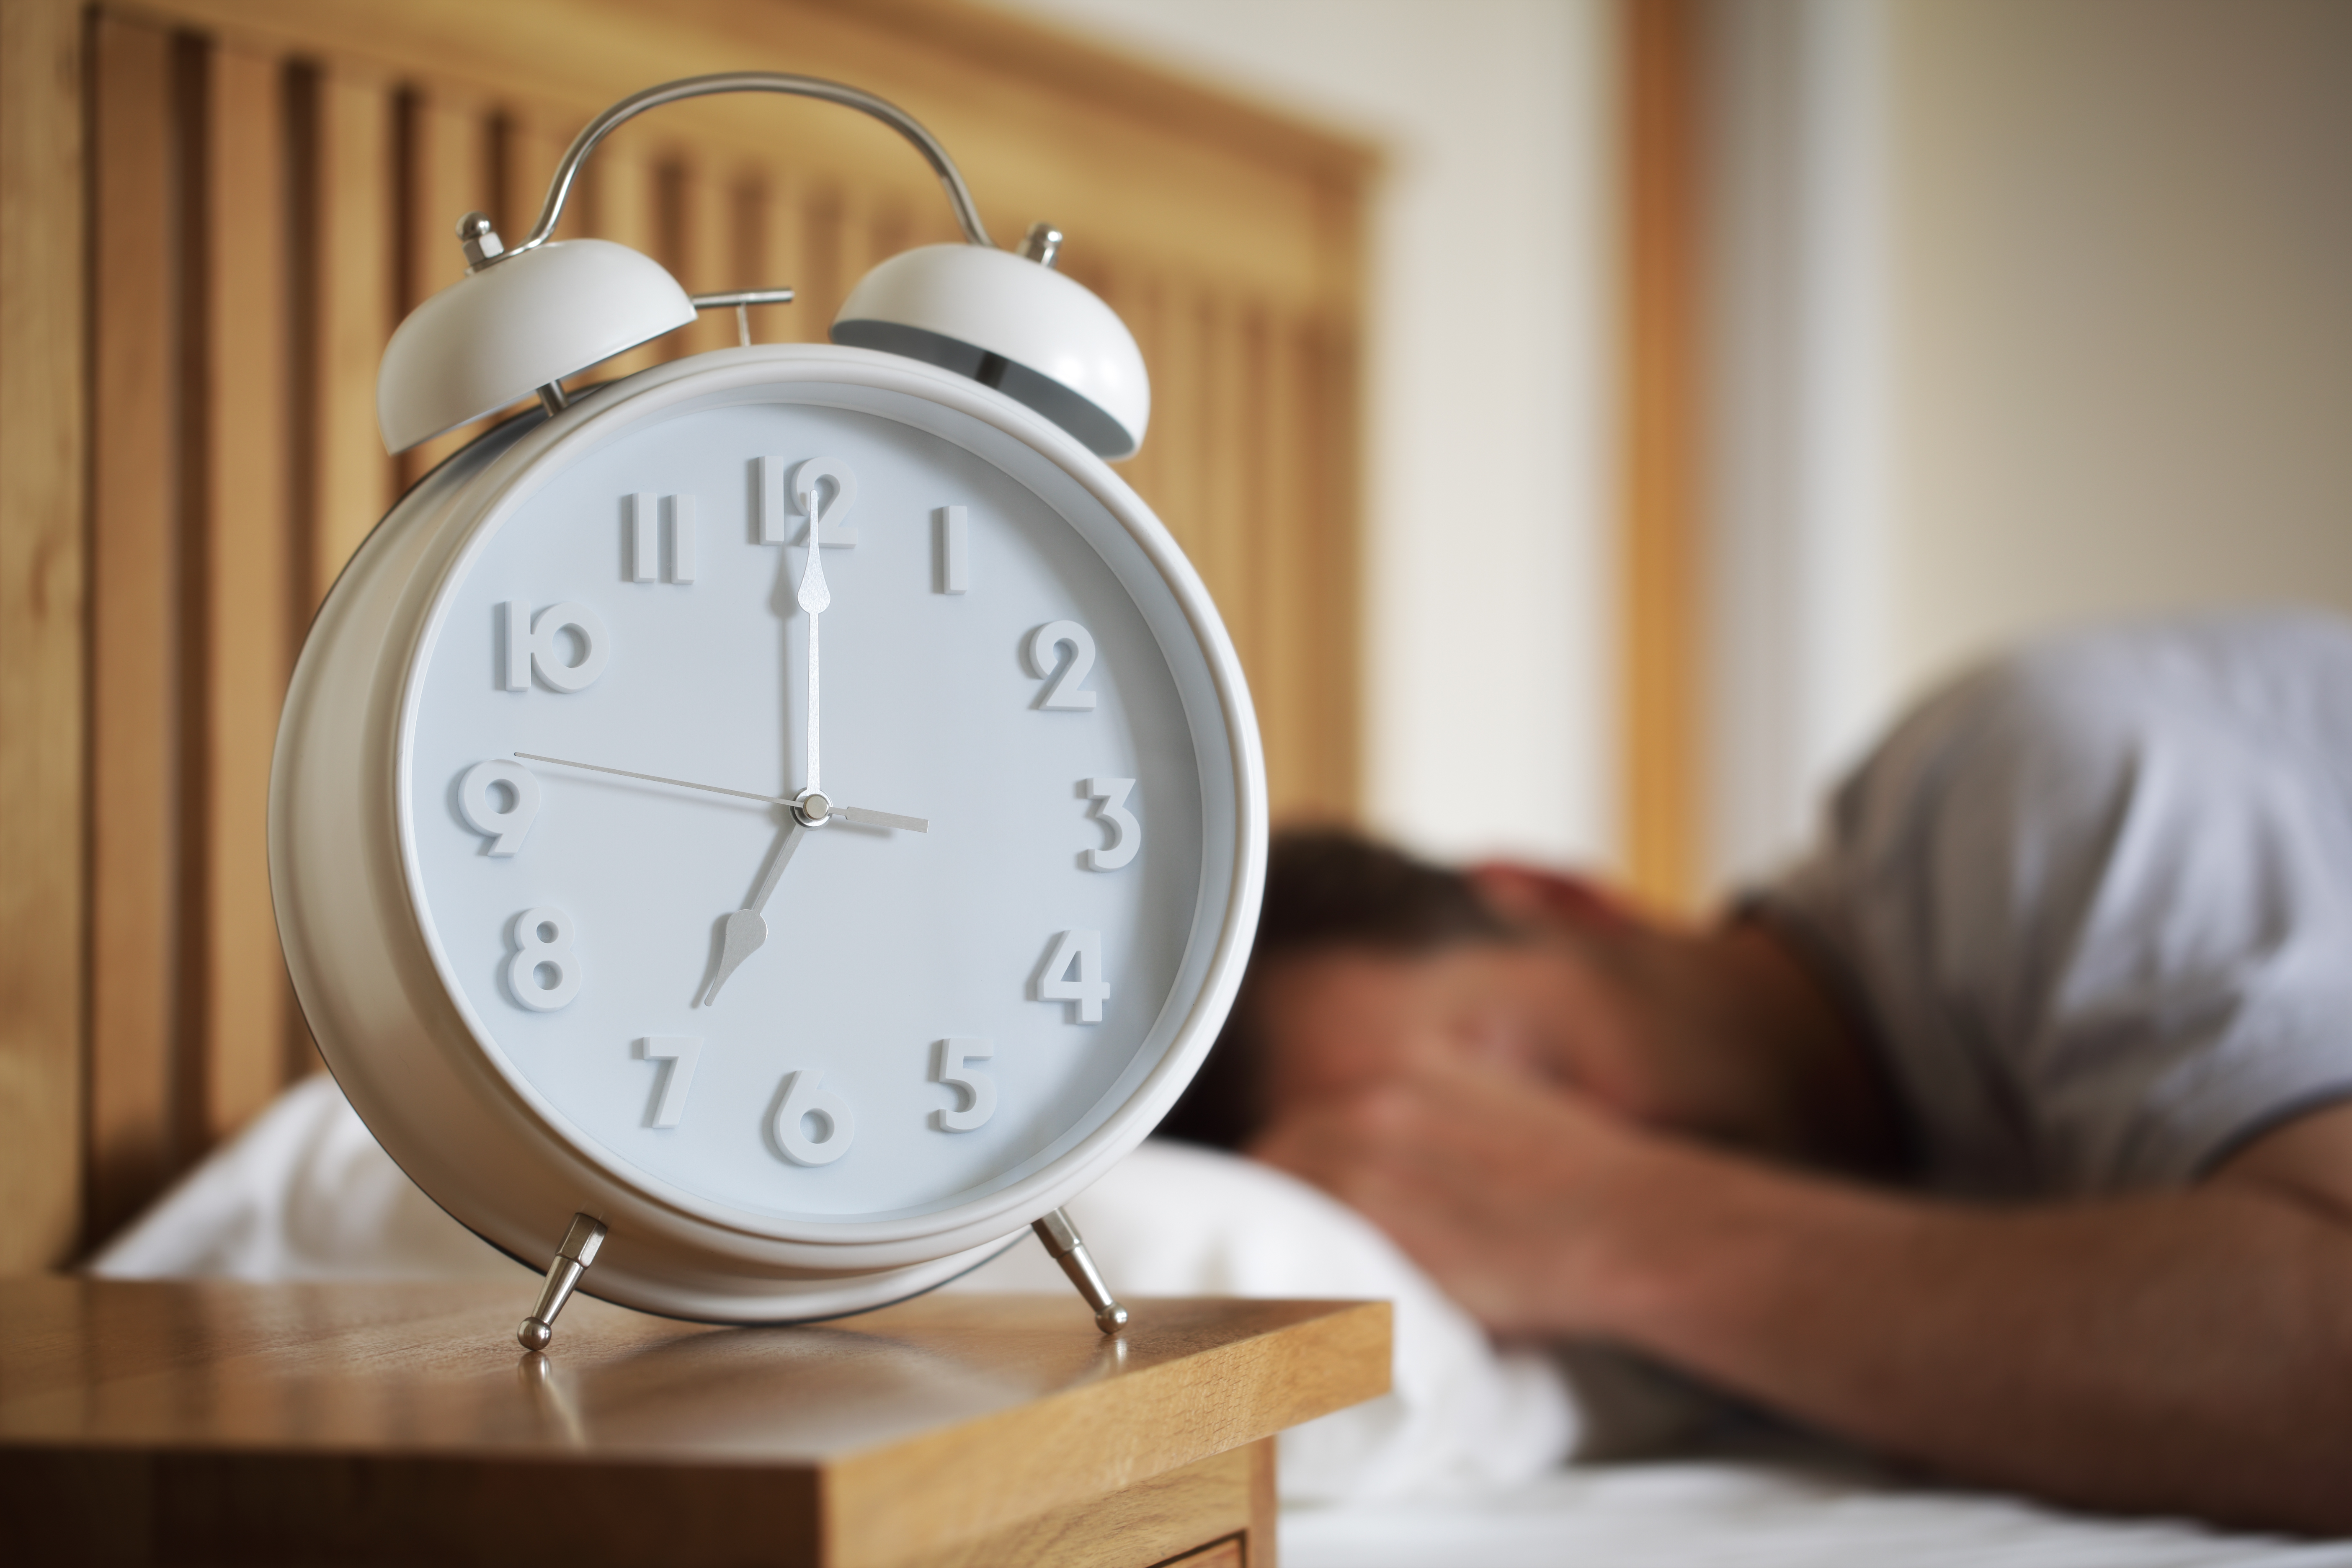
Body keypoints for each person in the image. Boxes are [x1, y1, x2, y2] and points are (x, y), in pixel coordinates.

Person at [1163, 611, 2352, 1535]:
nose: (1523, 1170)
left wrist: (1613, 1223)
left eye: (1525, 1073)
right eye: (1446, 1180)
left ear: (1553, 900)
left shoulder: (2024, 783)